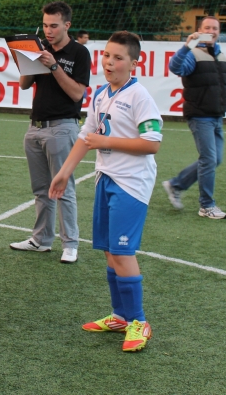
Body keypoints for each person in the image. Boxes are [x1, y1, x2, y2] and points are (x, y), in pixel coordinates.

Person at [50, 31, 163, 352]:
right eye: (107, 56)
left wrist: (107, 141)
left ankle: (139, 322)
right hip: (106, 178)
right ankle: (120, 316)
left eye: (118, 58)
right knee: (110, 252)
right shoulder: (101, 94)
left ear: (134, 63)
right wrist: (64, 172)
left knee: (123, 253)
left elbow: (152, 143)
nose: (109, 62)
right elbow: (86, 137)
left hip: (131, 184)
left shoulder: (139, 96)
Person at [10, 1, 91, 264]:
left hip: (62, 127)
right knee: (41, 190)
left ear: (67, 25)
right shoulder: (40, 47)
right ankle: (41, 240)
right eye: (45, 25)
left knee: (63, 188)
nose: (48, 30)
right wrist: (25, 60)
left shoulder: (79, 53)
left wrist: (54, 66)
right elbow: (24, 85)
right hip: (35, 126)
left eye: (54, 26)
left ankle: (70, 244)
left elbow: (77, 93)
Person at [161, 16, 226, 219]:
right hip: (200, 115)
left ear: (219, 32)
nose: (211, 31)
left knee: (214, 159)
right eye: (207, 27)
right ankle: (206, 205)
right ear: (199, 30)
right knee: (209, 159)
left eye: (215, 28)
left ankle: (176, 185)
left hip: (216, 115)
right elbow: (175, 67)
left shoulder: (221, 55)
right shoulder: (192, 53)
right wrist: (186, 46)